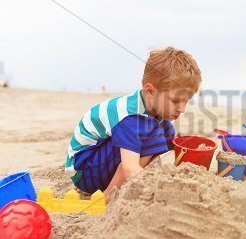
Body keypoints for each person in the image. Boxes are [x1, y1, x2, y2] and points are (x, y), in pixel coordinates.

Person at [65, 47, 202, 202]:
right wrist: (161, 187)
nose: (182, 109)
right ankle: (108, 195)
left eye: (187, 100)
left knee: (165, 131)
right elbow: (130, 169)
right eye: (175, 101)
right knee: (150, 130)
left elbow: (168, 145)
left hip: (100, 162)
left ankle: (117, 184)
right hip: (84, 170)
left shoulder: (153, 112)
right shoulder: (132, 116)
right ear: (150, 91)